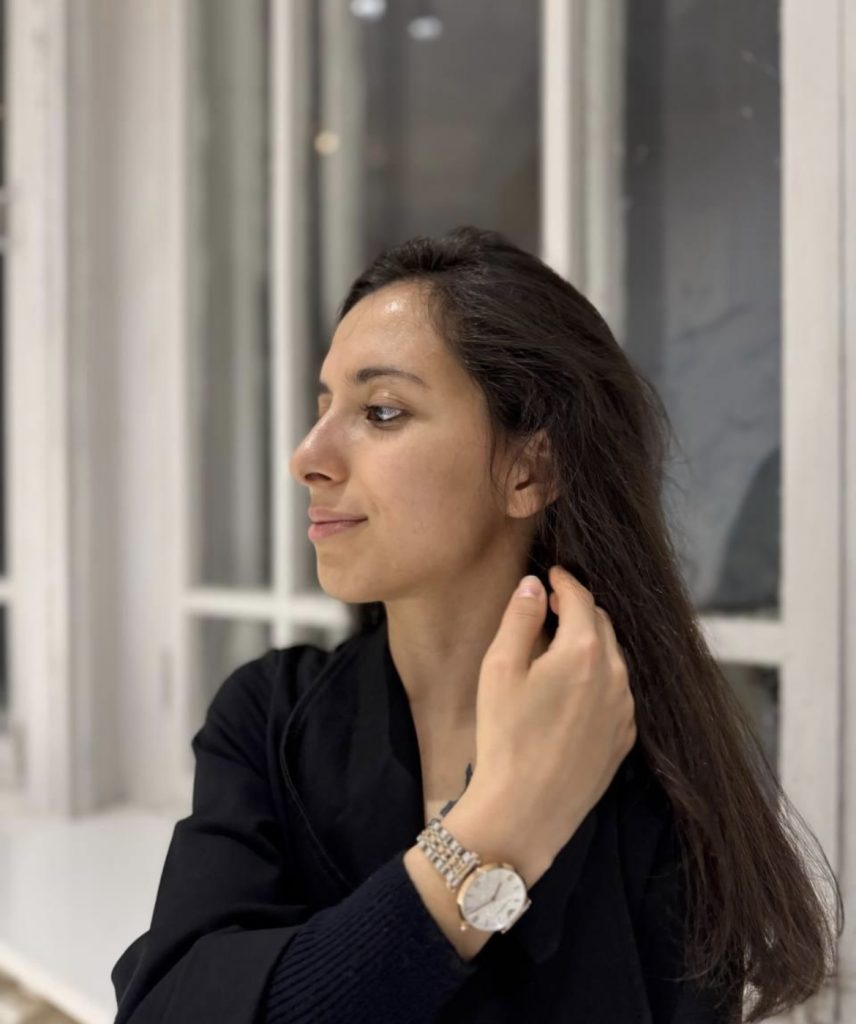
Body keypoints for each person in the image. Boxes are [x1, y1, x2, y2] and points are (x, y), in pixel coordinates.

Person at [111, 226, 842, 1023]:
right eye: (324, 409)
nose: (308, 456)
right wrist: (499, 824)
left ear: (530, 469)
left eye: (381, 411)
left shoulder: (647, 763)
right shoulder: (267, 720)